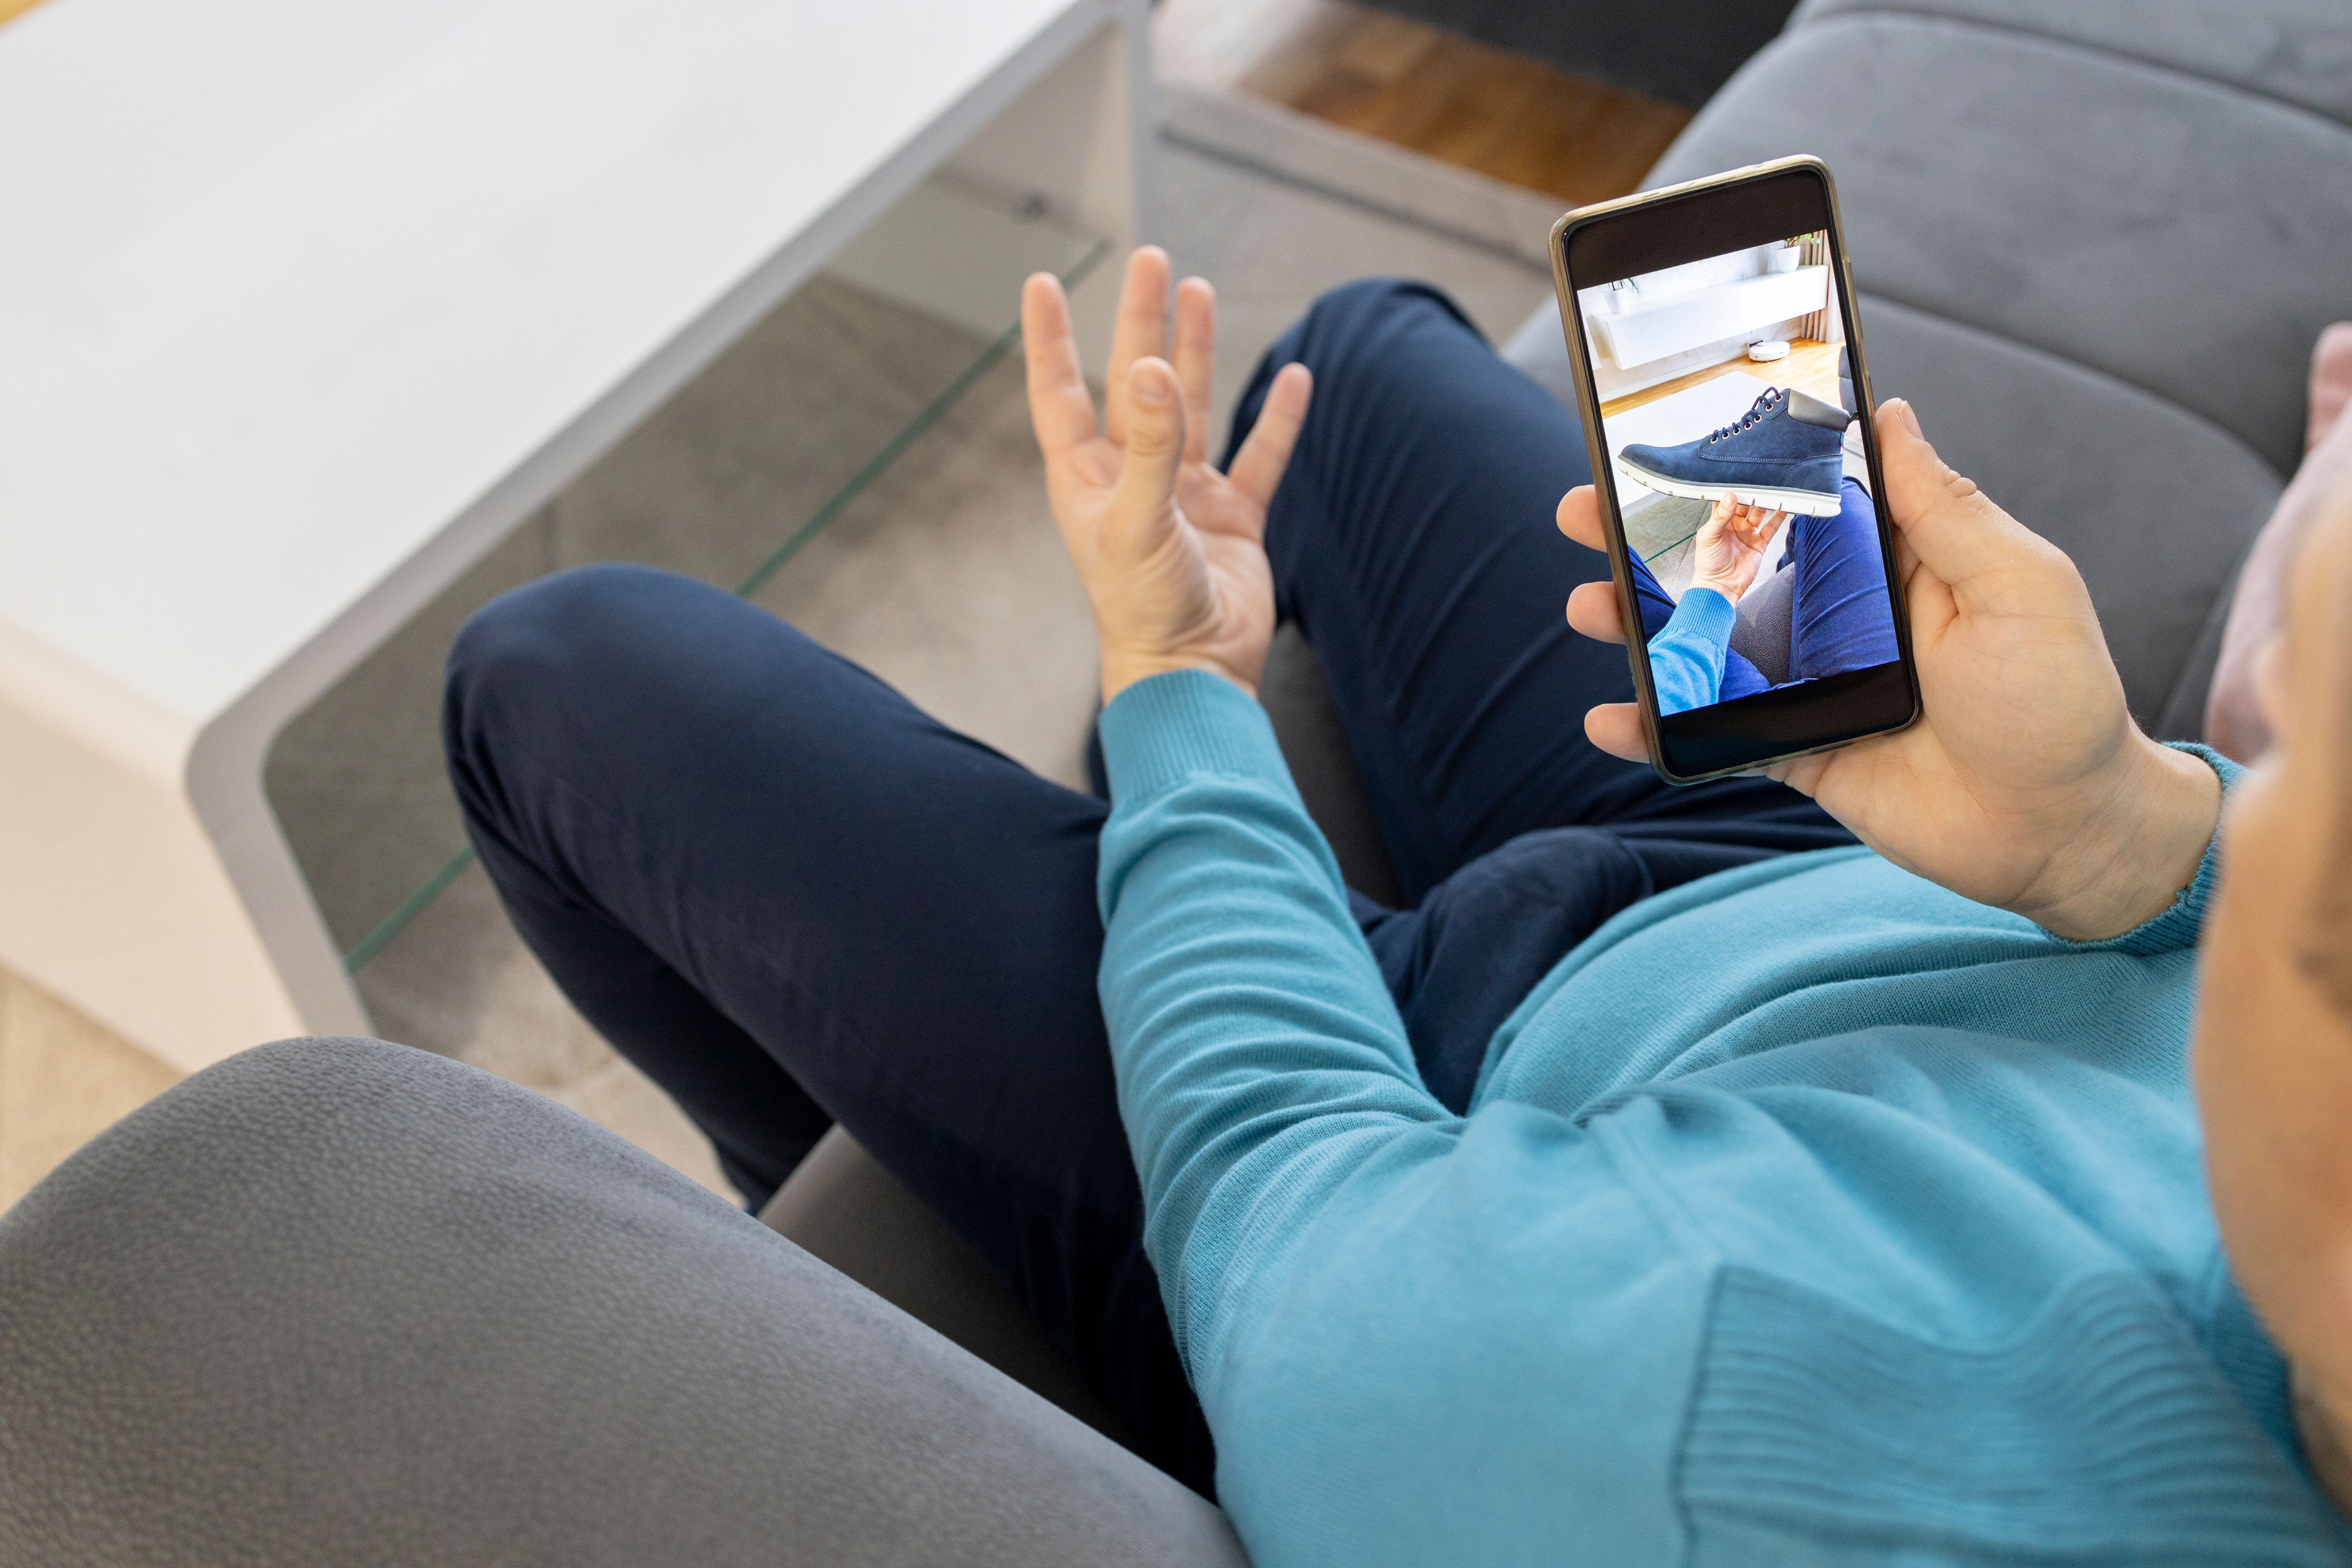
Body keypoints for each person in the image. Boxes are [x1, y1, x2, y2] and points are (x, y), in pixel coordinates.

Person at [442, 250, 2352, 1561]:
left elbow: (1275, 1145)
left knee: (552, 674)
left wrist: (1178, 684)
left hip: (1432, 1112)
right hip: (1886, 869)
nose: (2259, 779)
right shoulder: (2274, 1124)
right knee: (1344, 361)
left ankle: (847, 1197)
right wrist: (2125, 832)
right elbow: (2216, 860)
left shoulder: (1670, 1452)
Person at [1631, 476, 1899, 713]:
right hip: (1852, 702)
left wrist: (1717, 586)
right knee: (1838, 493)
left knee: (1617, 562)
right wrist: (1715, 590)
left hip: (1683, 681)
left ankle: (1794, 584)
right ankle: (1795, 583)